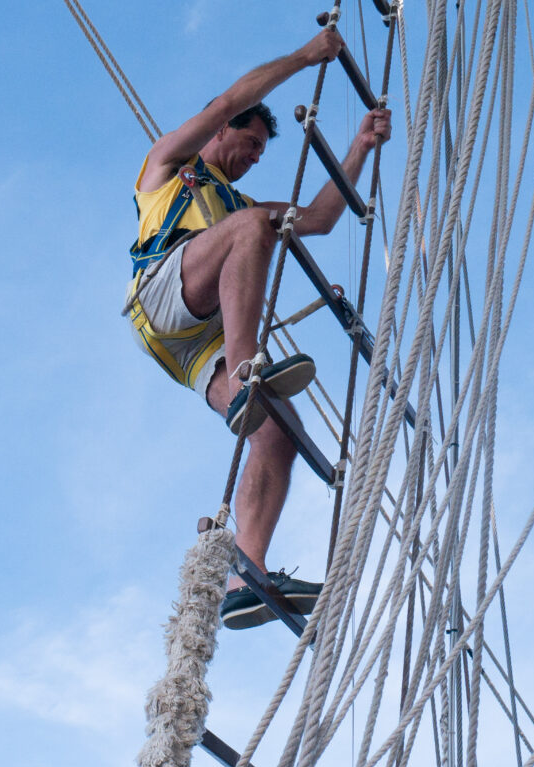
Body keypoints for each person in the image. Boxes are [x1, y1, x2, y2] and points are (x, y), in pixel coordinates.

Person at [123, 29, 393, 629]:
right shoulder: (169, 166)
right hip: (165, 293)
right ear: (222, 133)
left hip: (195, 347)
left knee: (279, 434)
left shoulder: (236, 205)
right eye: (248, 143)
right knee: (251, 228)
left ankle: (248, 570)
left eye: (261, 153)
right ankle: (249, 372)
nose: (251, 157)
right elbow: (222, 104)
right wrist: (304, 57)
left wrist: (360, 146)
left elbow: (318, 219)